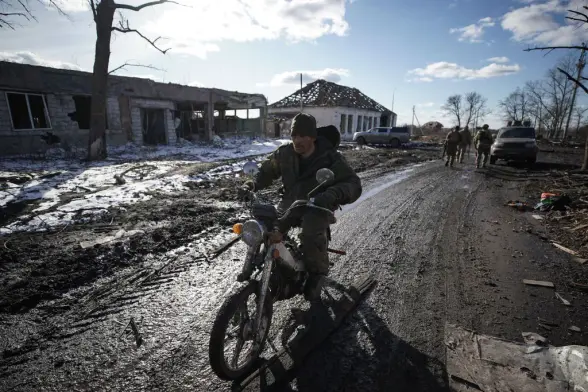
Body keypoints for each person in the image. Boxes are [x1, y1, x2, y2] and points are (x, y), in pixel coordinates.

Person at [240, 113, 362, 301]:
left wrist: (332, 194)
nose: (297, 140)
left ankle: (316, 276)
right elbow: (266, 172)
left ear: (313, 137)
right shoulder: (284, 154)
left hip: (317, 205)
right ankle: (265, 266)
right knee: (264, 223)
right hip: (290, 203)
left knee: (311, 231)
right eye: (294, 136)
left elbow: (353, 184)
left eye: (302, 136)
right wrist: (252, 185)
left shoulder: (330, 157)